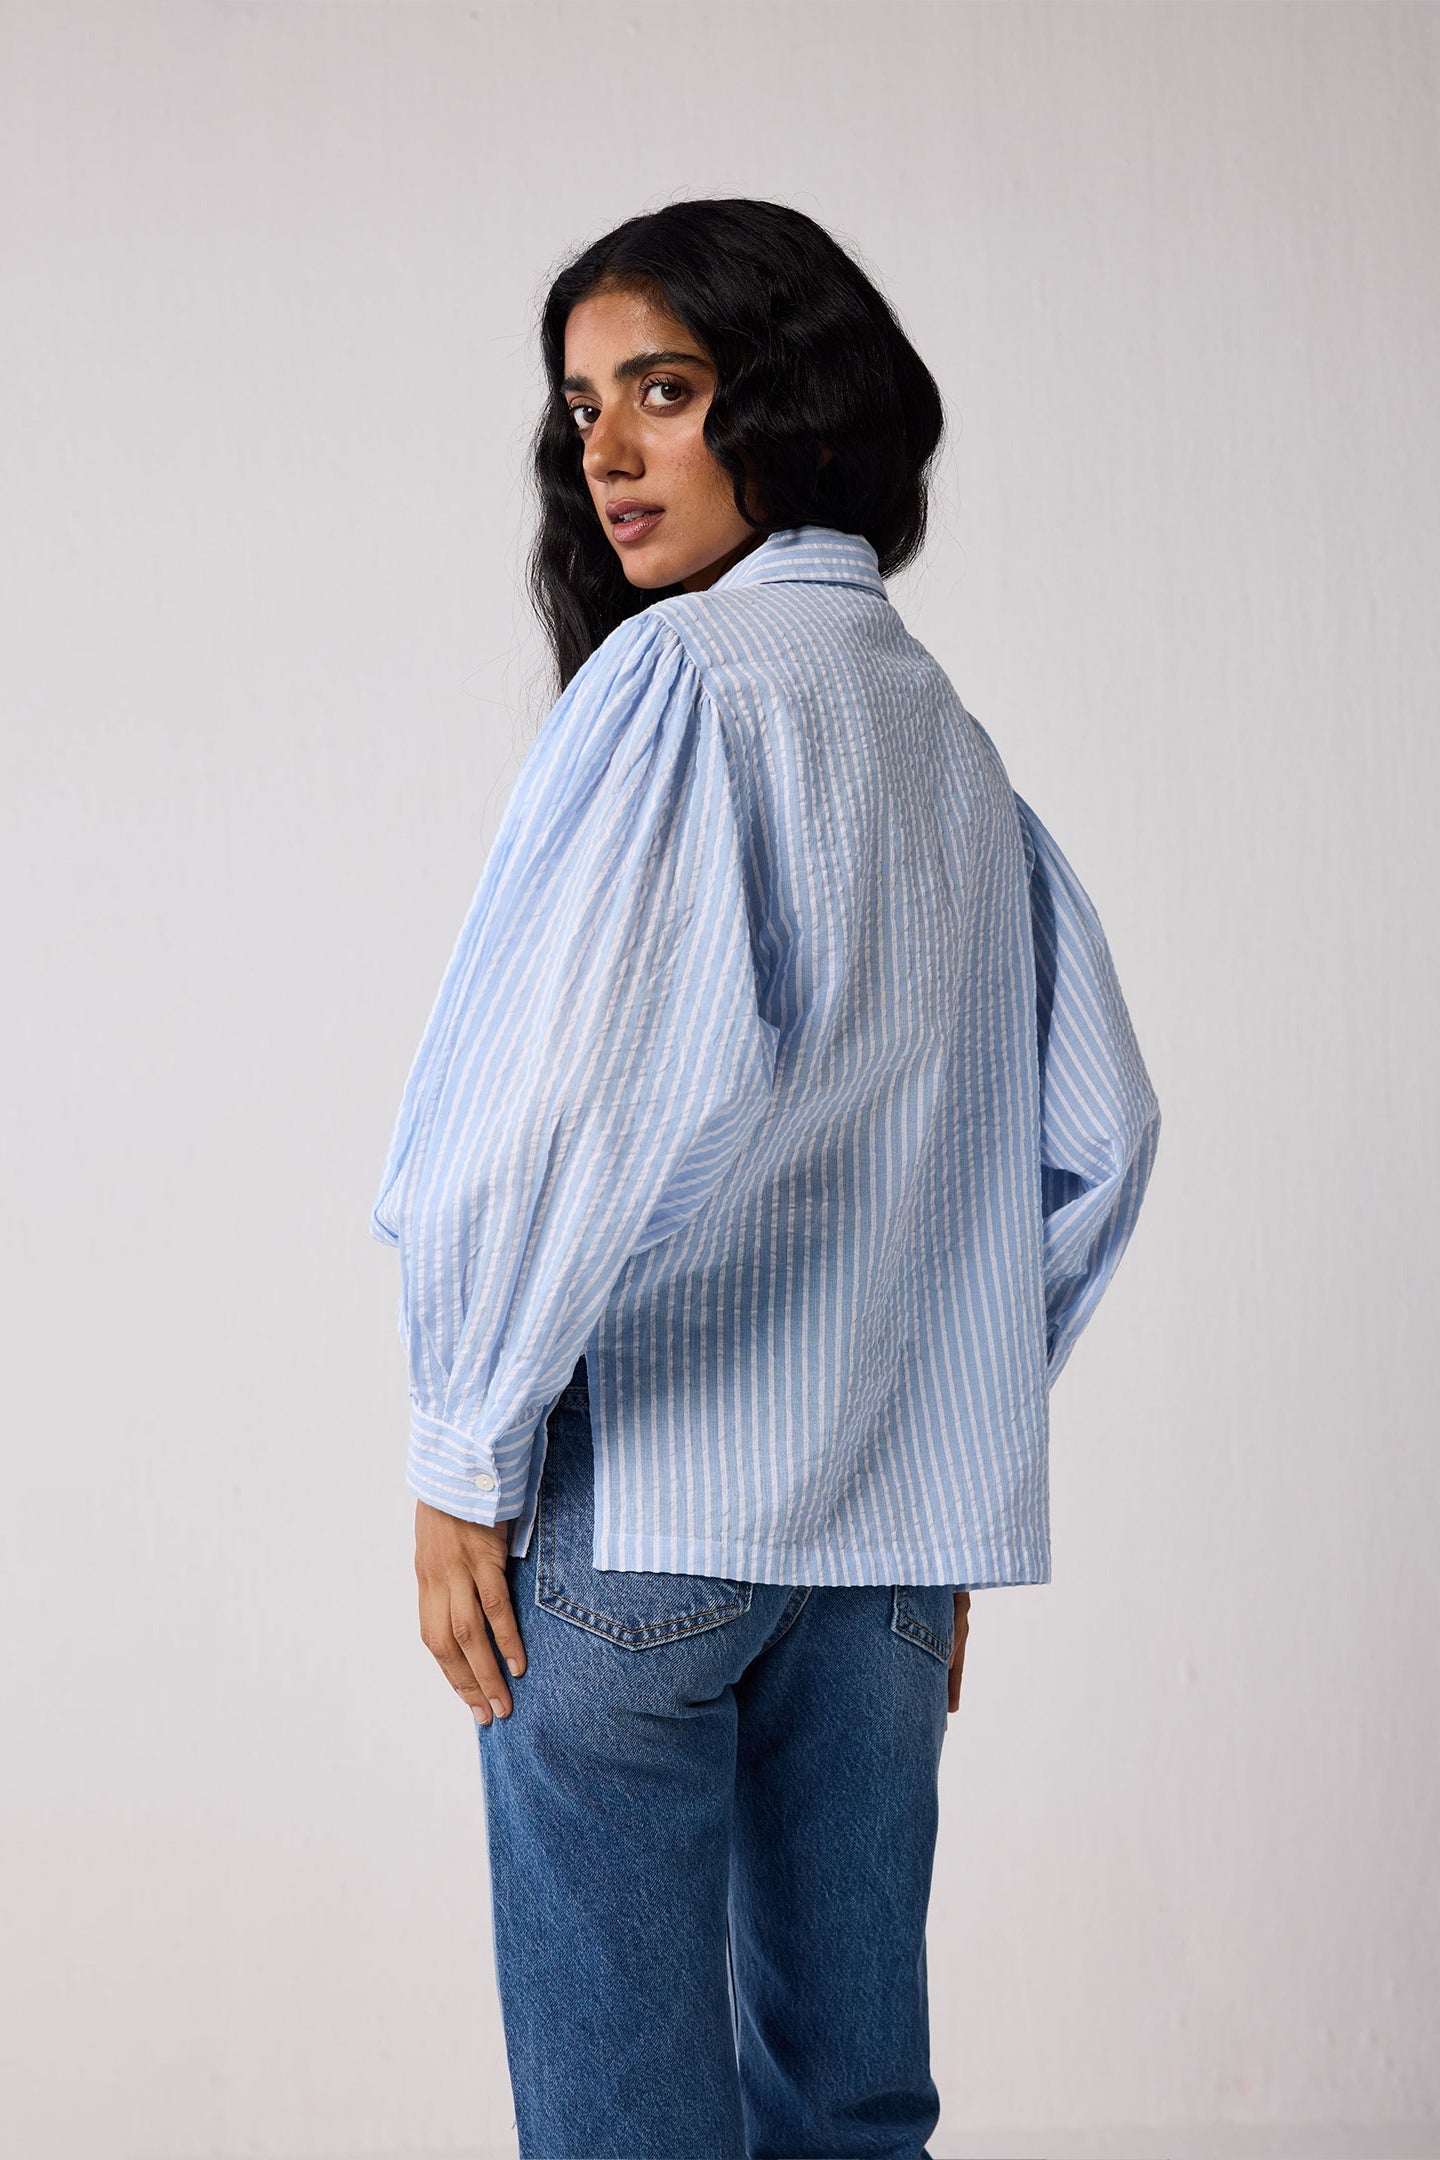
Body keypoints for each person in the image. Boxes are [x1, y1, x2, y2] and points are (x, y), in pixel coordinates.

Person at [369, 197, 1162, 2160]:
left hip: (642, 1531)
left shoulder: (676, 688)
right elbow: (1102, 1132)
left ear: (788, 409)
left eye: (665, 390)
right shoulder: (947, 740)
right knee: (850, 2113)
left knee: (625, 2132)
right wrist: (940, 1447)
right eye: (581, 408)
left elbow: (545, 1108)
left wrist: (464, 1442)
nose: (606, 454)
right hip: (885, 1565)